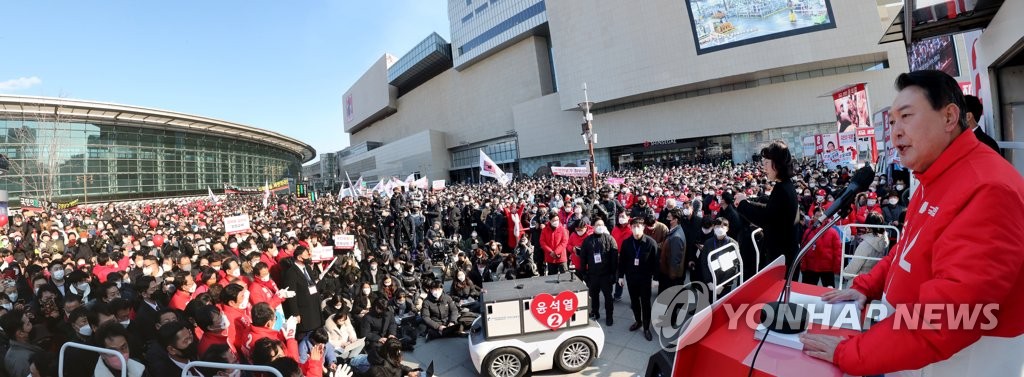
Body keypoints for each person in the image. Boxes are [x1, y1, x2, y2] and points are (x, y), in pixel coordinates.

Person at [801, 70, 1024, 376]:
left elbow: (949, 318)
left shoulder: (987, 187)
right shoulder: (933, 176)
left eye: (906, 117)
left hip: (960, 361)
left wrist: (851, 353)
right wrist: (867, 286)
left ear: (949, 117)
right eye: (892, 122)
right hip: (909, 349)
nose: (895, 133)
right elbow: (907, 248)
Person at [734, 140, 800, 271]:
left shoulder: (782, 189)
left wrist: (742, 205)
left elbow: (766, 218)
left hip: (781, 257)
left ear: (778, 163)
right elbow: (771, 210)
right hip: (784, 253)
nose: (764, 167)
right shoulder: (785, 186)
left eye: (766, 163)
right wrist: (746, 202)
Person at [618, 217, 659, 341]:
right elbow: (622, 261)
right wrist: (620, 276)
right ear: (631, 228)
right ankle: (638, 321)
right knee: (634, 302)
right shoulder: (626, 243)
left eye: (638, 226)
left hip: (645, 278)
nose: (636, 229)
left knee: (646, 303)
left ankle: (646, 327)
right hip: (631, 277)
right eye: (634, 226)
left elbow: (656, 262)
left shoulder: (651, 243)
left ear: (643, 227)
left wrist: (655, 278)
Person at [579, 219, 618, 326]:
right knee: (594, 296)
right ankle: (595, 312)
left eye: (602, 224)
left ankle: (609, 316)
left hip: (606, 275)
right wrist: (584, 273)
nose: (600, 226)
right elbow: (583, 258)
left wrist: (613, 274)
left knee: (608, 297)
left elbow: (614, 259)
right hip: (593, 275)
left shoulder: (610, 239)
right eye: (597, 225)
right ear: (593, 226)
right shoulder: (587, 241)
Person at [281, 247, 323, 337]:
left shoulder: (307, 268)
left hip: (314, 304)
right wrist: (295, 313)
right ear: (300, 258)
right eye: (307, 255)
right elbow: (291, 295)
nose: (310, 256)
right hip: (303, 309)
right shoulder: (291, 273)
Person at [799, 209, 841, 288]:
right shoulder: (808, 231)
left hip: (827, 268)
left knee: (829, 293)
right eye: (817, 216)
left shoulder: (833, 232)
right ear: (813, 217)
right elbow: (803, 249)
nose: (819, 218)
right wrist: (803, 265)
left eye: (821, 216)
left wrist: (836, 267)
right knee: (807, 292)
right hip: (810, 268)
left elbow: (837, 251)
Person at [843, 212, 888, 280]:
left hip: (859, 281)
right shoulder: (884, 242)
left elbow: (853, 267)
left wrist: (845, 273)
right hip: (874, 280)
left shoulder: (865, 245)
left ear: (867, 226)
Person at [2, 308, 42, 377]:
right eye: (28, 324)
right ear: (20, 333)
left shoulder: (23, 349)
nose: (32, 325)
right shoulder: (22, 361)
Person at [659, 208, 687, 293]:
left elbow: (675, 259)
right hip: (668, 272)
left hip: (670, 275)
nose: (666, 219)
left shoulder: (676, 237)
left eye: (669, 217)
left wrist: (672, 276)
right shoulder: (674, 232)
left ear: (675, 220)